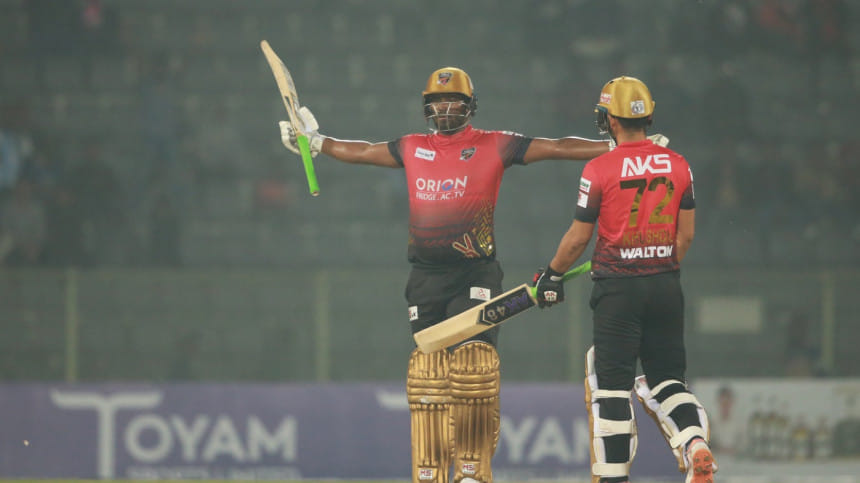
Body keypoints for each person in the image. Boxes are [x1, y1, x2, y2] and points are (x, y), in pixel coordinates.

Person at [278, 67, 668, 483]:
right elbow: (362, 151)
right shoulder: (413, 147)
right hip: (425, 278)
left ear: (470, 106)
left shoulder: (493, 144)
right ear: (426, 107)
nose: (445, 108)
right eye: (437, 102)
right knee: (428, 378)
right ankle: (430, 472)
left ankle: (471, 470)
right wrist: (316, 142)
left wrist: (616, 146)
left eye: (454, 101)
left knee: (474, 367)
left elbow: (555, 146)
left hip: (474, 273)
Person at [532, 76, 715, 483]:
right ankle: (694, 443)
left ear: (611, 120)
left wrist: (552, 275)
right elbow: (685, 237)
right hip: (666, 285)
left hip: (617, 291)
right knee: (668, 382)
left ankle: (614, 476)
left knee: (611, 390)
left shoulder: (598, 168)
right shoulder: (679, 164)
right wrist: (656, 264)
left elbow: (578, 238)